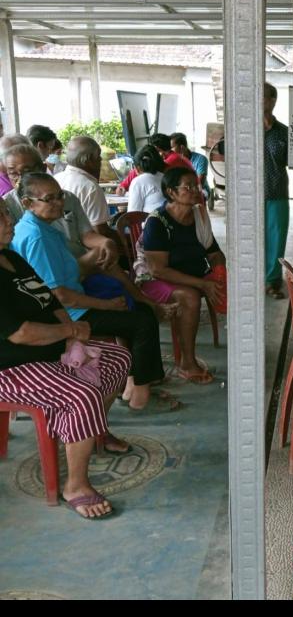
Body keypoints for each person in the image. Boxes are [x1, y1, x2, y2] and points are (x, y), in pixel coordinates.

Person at [0, 198, 133, 518]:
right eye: (1, 217)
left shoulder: (11, 257)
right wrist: (70, 331)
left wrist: (70, 333)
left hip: (49, 350)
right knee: (81, 394)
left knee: (117, 358)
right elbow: (20, 334)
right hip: (11, 367)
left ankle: (90, 429)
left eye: (5, 214)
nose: (9, 221)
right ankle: (75, 485)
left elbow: (49, 300)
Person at [11, 173, 165, 411]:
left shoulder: (43, 227)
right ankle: (140, 396)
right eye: (49, 199)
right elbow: (59, 295)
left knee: (138, 308)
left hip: (73, 302)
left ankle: (134, 385)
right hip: (67, 314)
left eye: (60, 196)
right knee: (142, 321)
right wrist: (107, 305)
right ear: (27, 203)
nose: (58, 203)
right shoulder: (37, 237)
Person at [3, 145, 172, 323]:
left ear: (42, 168)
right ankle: (141, 306)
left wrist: (105, 242)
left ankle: (142, 302)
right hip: (44, 271)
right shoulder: (8, 208)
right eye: (13, 173)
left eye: (27, 171)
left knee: (104, 254)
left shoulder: (65, 197)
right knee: (135, 319)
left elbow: (87, 234)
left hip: (74, 261)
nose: (20, 178)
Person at [137, 167, 226, 385]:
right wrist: (202, 284)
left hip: (191, 276)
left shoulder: (199, 216)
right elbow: (157, 269)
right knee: (190, 297)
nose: (196, 190)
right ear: (171, 192)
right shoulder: (158, 222)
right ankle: (187, 363)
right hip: (155, 280)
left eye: (197, 185)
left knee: (233, 286)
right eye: (189, 187)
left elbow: (214, 253)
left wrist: (219, 274)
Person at [54, 136, 117, 243]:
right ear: (89, 160)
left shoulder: (55, 179)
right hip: (84, 248)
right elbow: (100, 231)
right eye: (98, 156)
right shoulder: (90, 187)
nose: (101, 160)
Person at [263, 82, 290, 299]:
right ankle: (252, 279)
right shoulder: (244, 129)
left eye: (262, 96)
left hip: (276, 191)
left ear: (272, 101)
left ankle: (272, 281)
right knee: (250, 238)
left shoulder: (283, 132)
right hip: (249, 195)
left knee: (276, 238)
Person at [115, 133, 195, 194]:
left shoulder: (172, 161)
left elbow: (148, 170)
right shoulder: (175, 157)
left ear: (157, 150)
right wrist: (124, 185)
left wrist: (124, 185)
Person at [126, 145, 166, 214]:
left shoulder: (138, 182)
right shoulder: (165, 176)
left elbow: (132, 214)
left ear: (137, 168)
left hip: (154, 220)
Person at [169, 132, 209, 199]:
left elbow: (199, 183)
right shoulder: (173, 160)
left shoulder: (201, 159)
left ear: (182, 147)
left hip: (201, 190)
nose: (170, 150)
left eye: (172, 147)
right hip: (182, 190)